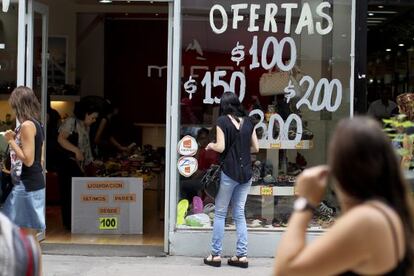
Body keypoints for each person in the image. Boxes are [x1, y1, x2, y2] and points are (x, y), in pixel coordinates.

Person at [274, 116, 414, 275]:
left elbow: (285, 271)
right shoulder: (384, 212)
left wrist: (305, 203)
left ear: (341, 169)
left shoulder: (367, 220)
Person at [203, 92, 259, 268]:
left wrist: (210, 145)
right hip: (246, 174)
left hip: (229, 173)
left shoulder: (222, 121)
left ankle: (215, 255)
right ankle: (241, 256)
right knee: (239, 214)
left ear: (223, 105)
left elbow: (221, 147)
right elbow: (256, 148)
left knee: (220, 213)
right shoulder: (249, 121)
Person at [1, 87, 45, 237]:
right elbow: (41, 159)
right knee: (29, 236)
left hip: (26, 186)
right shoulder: (38, 125)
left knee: (16, 231)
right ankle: (29, 260)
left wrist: (11, 140)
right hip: (34, 184)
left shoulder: (26, 126)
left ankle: (20, 260)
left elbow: (28, 160)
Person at [57, 99, 98, 230]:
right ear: (85, 114)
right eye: (92, 117)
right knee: (68, 194)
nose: (94, 120)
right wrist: (75, 150)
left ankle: (78, 222)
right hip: (68, 164)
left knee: (78, 194)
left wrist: (91, 160)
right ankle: (69, 224)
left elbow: (86, 146)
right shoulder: (71, 122)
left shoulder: (86, 126)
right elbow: (61, 139)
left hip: (79, 164)